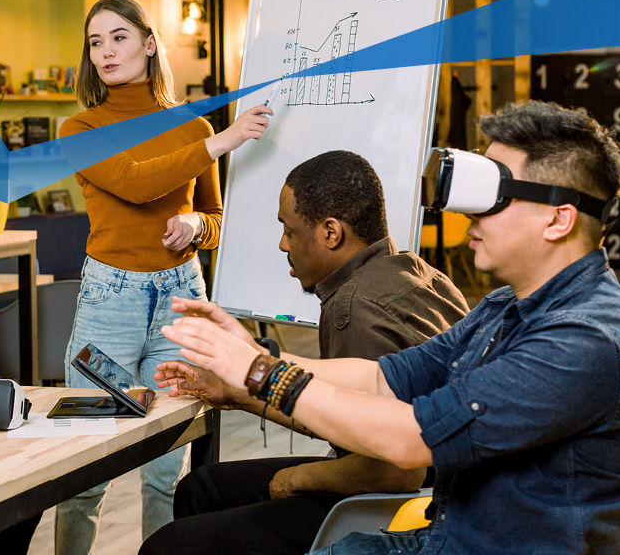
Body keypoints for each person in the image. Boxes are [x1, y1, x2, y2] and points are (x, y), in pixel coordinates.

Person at [163, 101, 620, 555]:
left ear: (558, 220)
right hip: (455, 531)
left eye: (496, 198)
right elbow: (382, 378)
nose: (470, 216)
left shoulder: (583, 337)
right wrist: (257, 356)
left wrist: (261, 376)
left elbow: (409, 439)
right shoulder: (507, 307)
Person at [141, 150, 467, 555]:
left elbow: (394, 472)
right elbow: (345, 411)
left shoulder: (355, 307)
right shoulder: (420, 273)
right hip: (440, 484)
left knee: (168, 546)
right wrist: (242, 392)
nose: (281, 244)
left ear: (330, 233)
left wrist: (294, 479)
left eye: (289, 230)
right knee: (202, 487)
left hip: (398, 505)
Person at [53, 0, 274, 554]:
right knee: (86, 470)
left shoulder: (189, 126)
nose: (106, 51)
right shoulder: (80, 125)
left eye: (119, 38)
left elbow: (219, 221)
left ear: (150, 43)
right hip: (111, 301)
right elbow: (135, 182)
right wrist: (223, 140)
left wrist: (196, 224)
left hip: (180, 299)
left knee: (164, 472)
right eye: (95, 42)